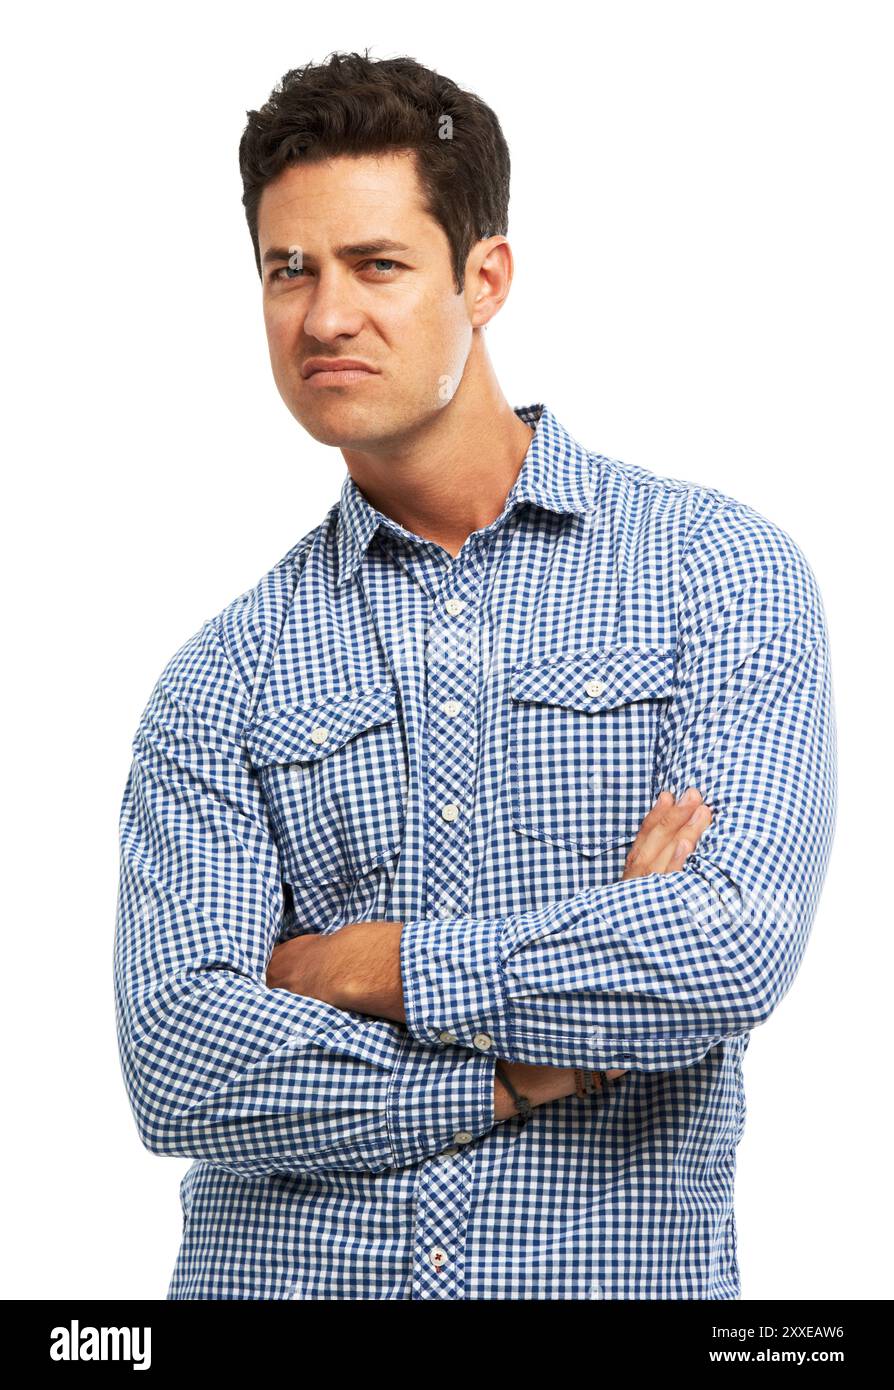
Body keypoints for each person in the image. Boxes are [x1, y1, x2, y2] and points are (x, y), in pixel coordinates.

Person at [113, 51, 837, 1301]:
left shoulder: (715, 575)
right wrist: (527, 1064)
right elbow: (181, 1057)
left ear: (484, 277)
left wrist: (370, 964)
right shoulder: (216, 679)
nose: (325, 316)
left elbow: (726, 948)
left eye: (376, 264)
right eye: (289, 271)